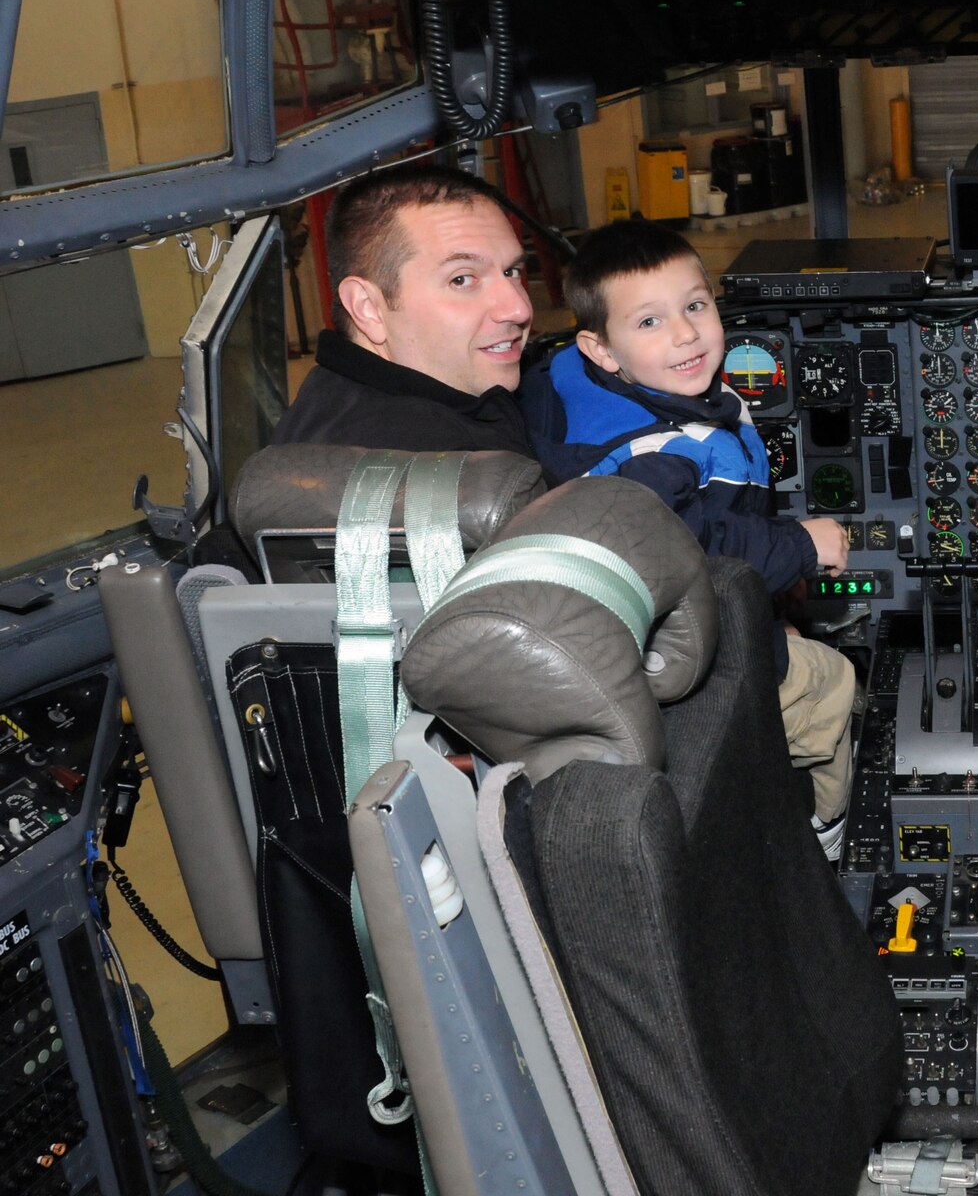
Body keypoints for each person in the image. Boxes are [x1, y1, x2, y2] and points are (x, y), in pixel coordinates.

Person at [519, 218, 856, 859]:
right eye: (649, 322)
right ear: (601, 349)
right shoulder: (650, 455)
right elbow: (686, 546)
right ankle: (825, 829)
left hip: (656, 632)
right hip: (670, 642)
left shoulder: (589, 383)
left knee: (796, 632)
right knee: (834, 679)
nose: (685, 334)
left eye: (695, 306)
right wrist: (799, 546)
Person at [273, 164, 539, 456]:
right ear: (368, 308)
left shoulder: (328, 399)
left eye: (512, 271)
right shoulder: (451, 473)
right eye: (461, 279)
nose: (518, 309)